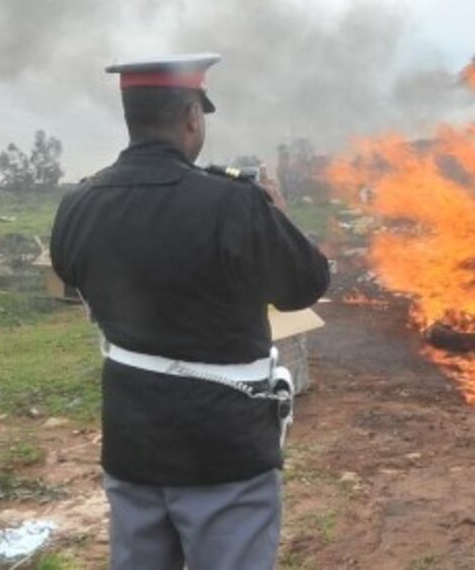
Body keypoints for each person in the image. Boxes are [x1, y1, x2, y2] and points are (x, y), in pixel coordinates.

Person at [50, 53, 331, 569]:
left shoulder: (79, 204)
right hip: (223, 452)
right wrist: (280, 217)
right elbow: (306, 285)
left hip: (132, 445)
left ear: (130, 116)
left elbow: (74, 281)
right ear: (192, 116)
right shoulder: (233, 204)